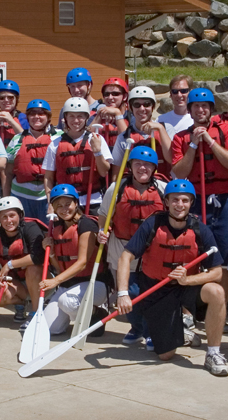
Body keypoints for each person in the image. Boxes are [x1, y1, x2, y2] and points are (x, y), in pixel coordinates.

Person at [116, 180, 228, 376]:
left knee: (216, 292)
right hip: (157, 288)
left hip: (186, 287)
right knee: (166, 355)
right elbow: (126, 257)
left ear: (191, 203)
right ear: (166, 202)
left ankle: (213, 353)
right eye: (175, 199)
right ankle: (180, 332)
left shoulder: (201, 230)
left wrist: (188, 280)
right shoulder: (152, 224)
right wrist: (122, 293)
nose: (180, 204)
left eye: (185, 200)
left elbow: (217, 273)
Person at [97, 146, 166, 346]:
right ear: (130, 166)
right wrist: (103, 231)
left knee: (150, 291)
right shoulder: (116, 187)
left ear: (153, 168)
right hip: (122, 246)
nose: (142, 168)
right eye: (137, 164)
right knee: (129, 291)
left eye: (147, 165)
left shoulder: (162, 189)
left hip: (153, 249)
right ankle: (137, 328)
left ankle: (151, 330)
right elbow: (103, 215)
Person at [171, 89, 228, 263]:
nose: (200, 110)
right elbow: (179, 173)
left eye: (204, 106)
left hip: (227, 198)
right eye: (196, 106)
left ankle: (227, 287)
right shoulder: (181, 138)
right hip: (199, 198)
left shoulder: (227, 130)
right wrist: (193, 145)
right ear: (190, 110)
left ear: (211, 109)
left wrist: (210, 141)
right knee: (201, 247)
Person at [40, 184, 107, 336]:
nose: (64, 209)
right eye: (59, 206)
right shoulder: (57, 229)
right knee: (51, 329)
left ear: (76, 203)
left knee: (67, 302)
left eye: (68, 204)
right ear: (54, 209)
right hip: (69, 285)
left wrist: (55, 281)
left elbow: (82, 262)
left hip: (94, 283)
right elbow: (59, 268)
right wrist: (50, 253)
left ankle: (97, 312)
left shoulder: (86, 225)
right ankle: (82, 316)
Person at [0, 197, 46, 331]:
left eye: (12, 215)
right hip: (18, 284)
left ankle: (36, 313)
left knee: (33, 269)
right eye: (4, 217)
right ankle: (22, 305)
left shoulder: (30, 228)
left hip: (41, 282)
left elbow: (38, 257)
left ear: (20, 215)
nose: (8, 221)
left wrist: (9, 265)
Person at [43, 97, 112, 215]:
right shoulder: (55, 144)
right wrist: (50, 203)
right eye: (72, 116)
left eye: (80, 116)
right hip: (64, 200)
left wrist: (97, 152)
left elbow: (104, 172)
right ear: (65, 118)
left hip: (92, 200)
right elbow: (48, 178)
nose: (76, 120)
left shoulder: (96, 139)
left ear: (86, 118)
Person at [5, 99, 61, 219]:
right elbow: (8, 174)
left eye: (41, 113)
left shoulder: (59, 137)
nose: (36, 117)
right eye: (32, 113)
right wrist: (6, 199)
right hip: (21, 196)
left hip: (49, 197)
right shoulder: (16, 139)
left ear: (48, 116)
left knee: (49, 234)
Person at [110, 86, 172, 179]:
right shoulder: (124, 136)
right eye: (137, 105)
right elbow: (116, 173)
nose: (142, 109)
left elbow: (172, 159)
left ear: (153, 107)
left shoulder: (167, 129)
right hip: (133, 187)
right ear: (131, 108)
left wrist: (161, 129)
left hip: (161, 185)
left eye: (147, 104)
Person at [0, 80, 29, 146]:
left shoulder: (24, 119)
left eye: (10, 97)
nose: (6, 100)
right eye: (2, 98)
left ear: (16, 99)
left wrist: (12, 122)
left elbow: (27, 141)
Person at [92, 77, 132, 147]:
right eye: (106, 94)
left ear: (125, 96)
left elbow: (126, 140)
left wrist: (117, 113)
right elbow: (86, 137)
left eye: (115, 94)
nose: (110, 97)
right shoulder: (95, 116)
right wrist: (99, 116)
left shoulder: (131, 117)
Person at [158, 75, 194, 139]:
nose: (179, 95)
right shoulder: (160, 120)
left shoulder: (197, 120)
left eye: (183, 91)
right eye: (175, 91)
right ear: (171, 95)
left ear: (190, 92)